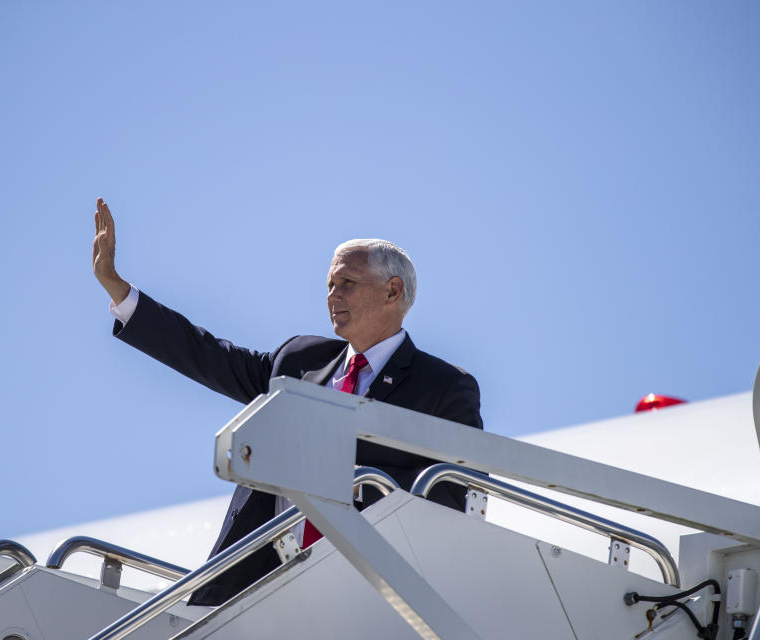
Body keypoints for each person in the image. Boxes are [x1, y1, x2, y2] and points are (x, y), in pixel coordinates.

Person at [91, 197, 483, 605]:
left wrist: (353, 484)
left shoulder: (443, 386)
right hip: (258, 589)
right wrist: (120, 291)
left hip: (369, 594)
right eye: (329, 285)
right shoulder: (300, 359)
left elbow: (453, 497)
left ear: (392, 291)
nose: (333, 295)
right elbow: (209, 355)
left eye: (347, 283)